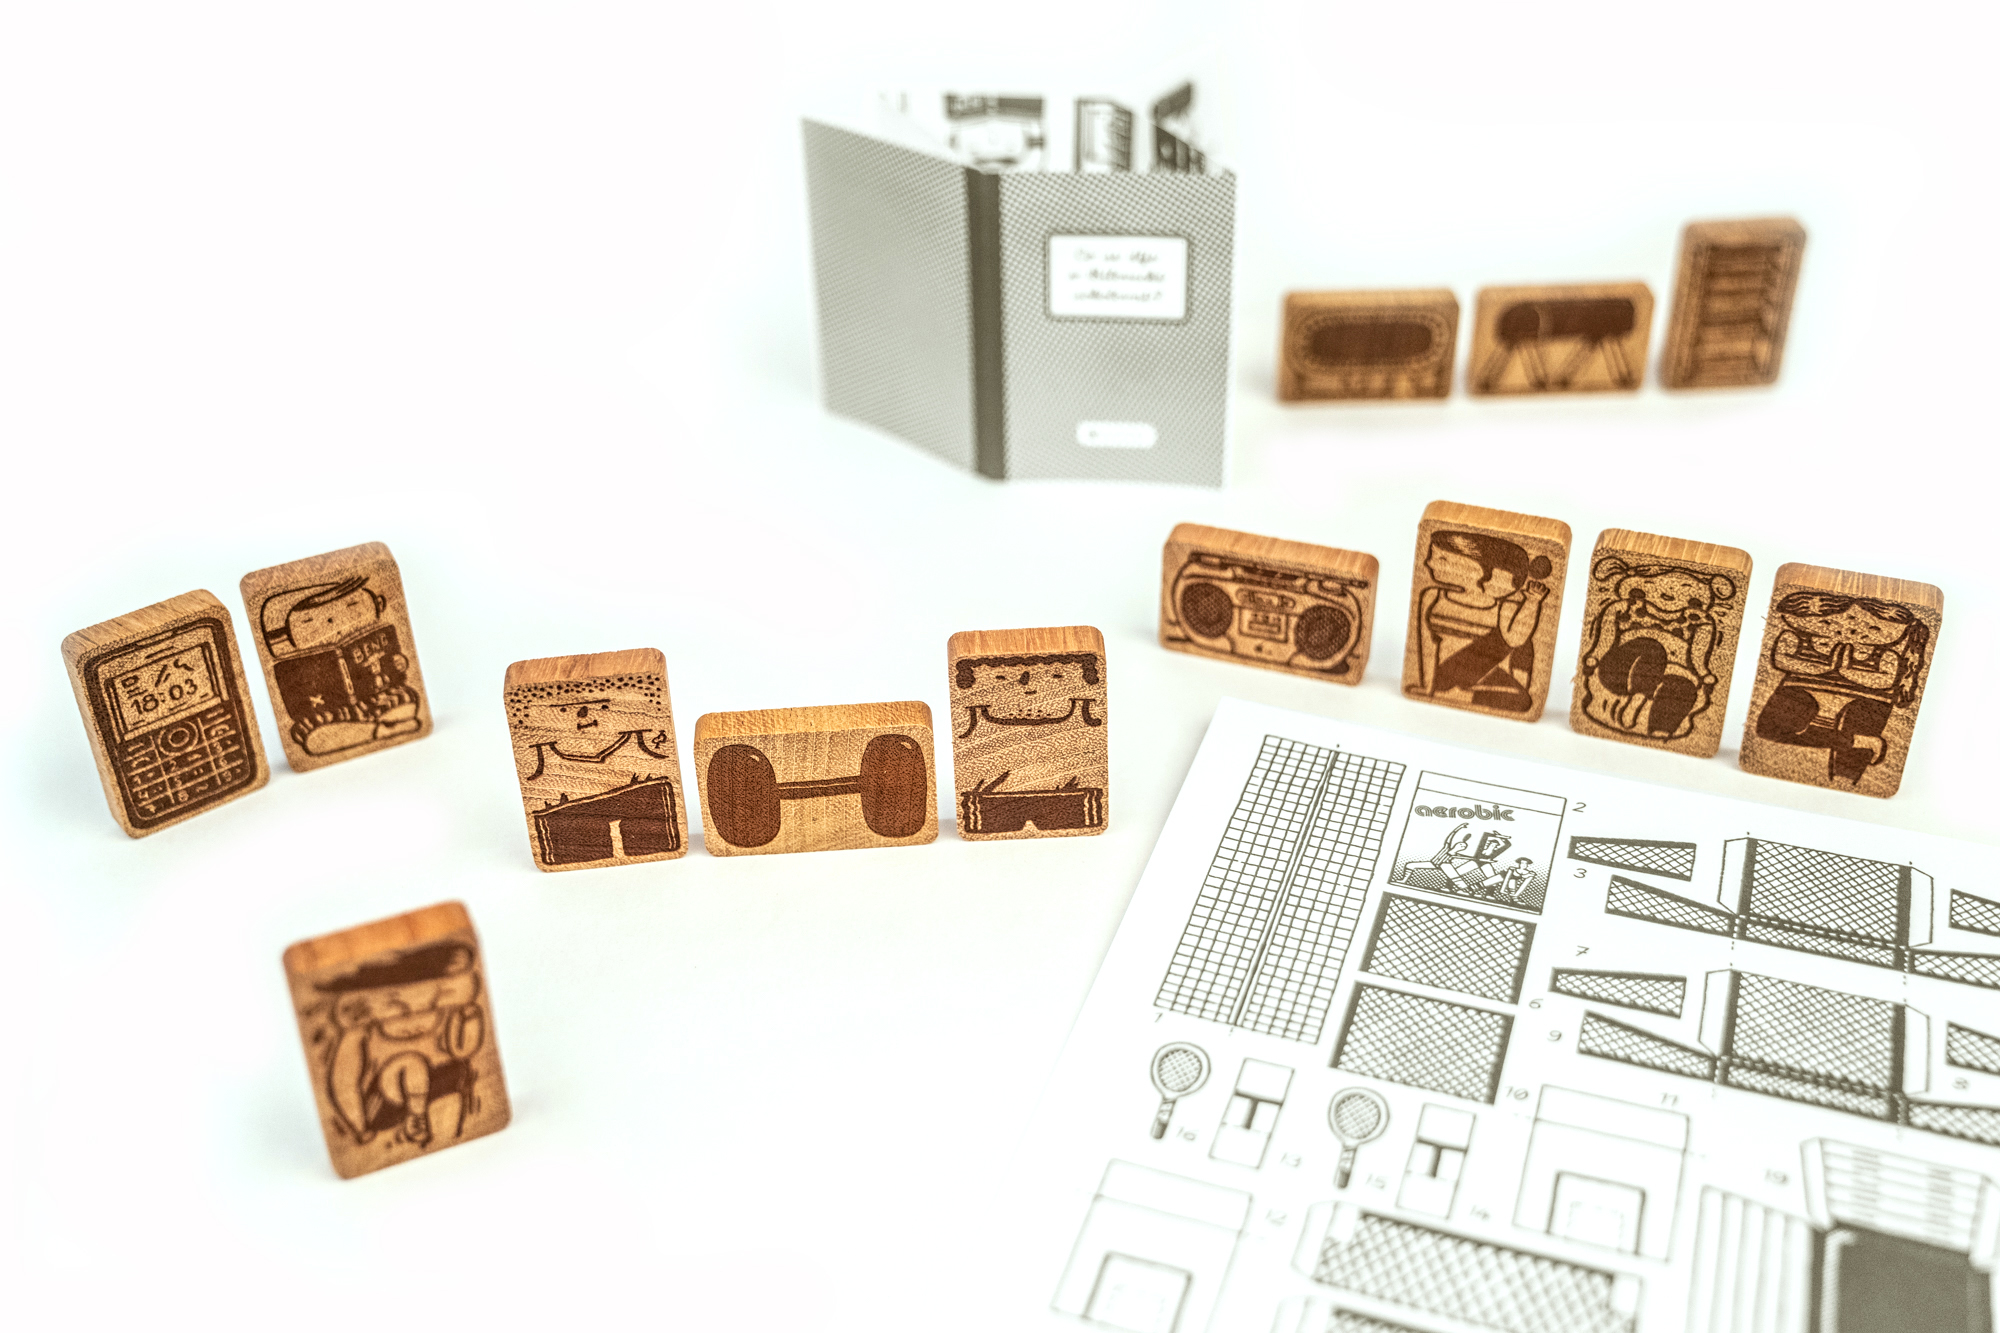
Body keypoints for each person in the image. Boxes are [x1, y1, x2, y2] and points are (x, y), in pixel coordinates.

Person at [318, 941, 485, 1149]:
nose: (416, 1022)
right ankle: (417, 1118)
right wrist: (359, 1127)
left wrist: (469, 1020)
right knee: (411, 1064)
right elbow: (344, 1081)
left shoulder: (450, 1013)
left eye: (431, 1007)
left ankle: (445, 1134)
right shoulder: (361, 1033)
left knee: (457, 1070)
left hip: (429, 1088)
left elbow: (462, 1051)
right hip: (384, 1105)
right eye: (399, 1011)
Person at [1752, 593, 1930, 784]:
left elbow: (1886, 680)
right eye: (1827, 623)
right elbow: (1781, 660)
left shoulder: (1886, 655)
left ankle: (1845, 777)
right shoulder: (1792, 637)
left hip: (1862, 700)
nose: (1849, 631)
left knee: (1859, 721)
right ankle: (1857, 742)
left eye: (1873, 628)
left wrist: (1846, 671)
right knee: (1769, 727)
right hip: (1802, 691)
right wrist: (1826, 667)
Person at [1409, 531, 1553, 713]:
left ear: (1477, 570)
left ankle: (1459, 695)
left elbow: (1516, 639)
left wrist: (1532, 602)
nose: (1428, 563)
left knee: (1522, 701)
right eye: (1431, 556)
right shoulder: (1432, 597)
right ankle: (1449, 690)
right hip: (1446, 673)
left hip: (1485, 675)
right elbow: (1426, 646)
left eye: (1442, 559)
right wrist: (1427, 686)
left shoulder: (1504, 607)